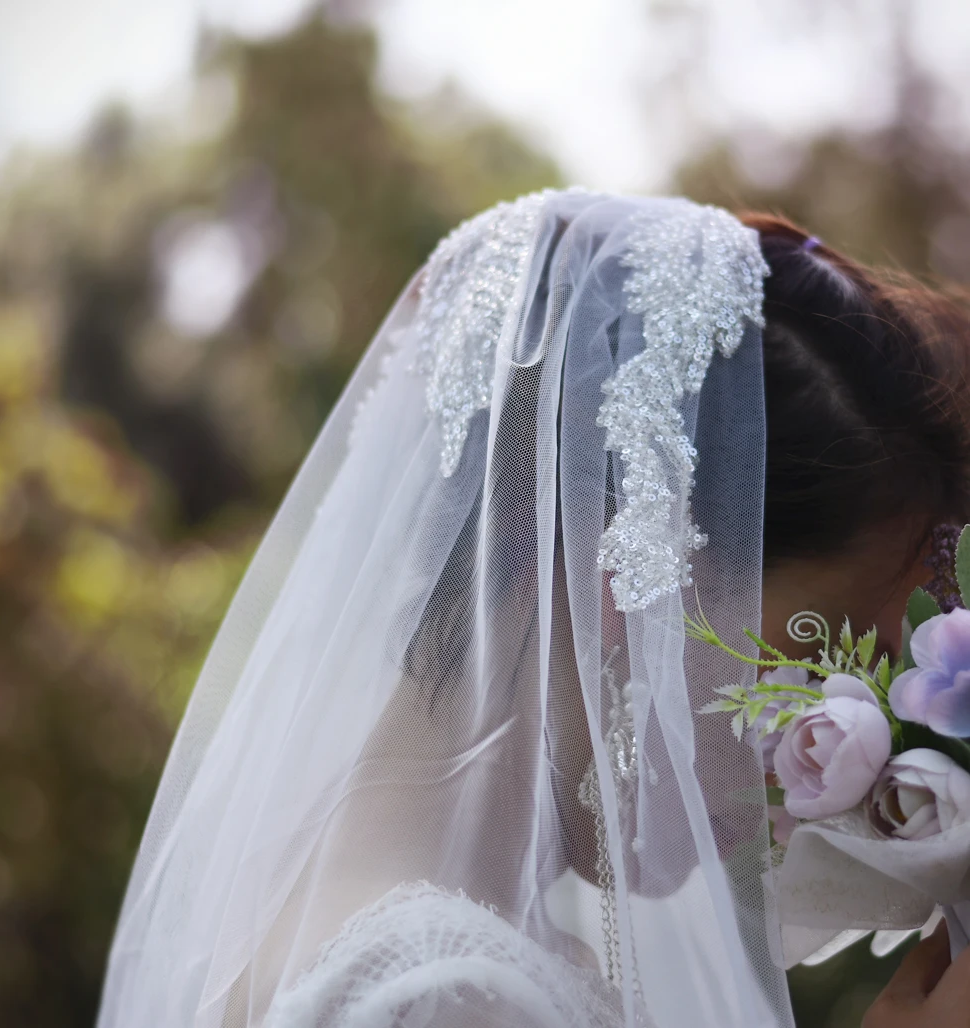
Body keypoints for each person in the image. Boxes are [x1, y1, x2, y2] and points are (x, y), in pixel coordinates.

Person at [96, 190, 970, 1028]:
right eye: (820, 657)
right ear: (633, 583)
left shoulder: (412, 928)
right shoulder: (441, 1000)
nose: (840, 741)